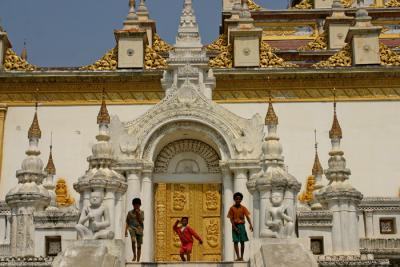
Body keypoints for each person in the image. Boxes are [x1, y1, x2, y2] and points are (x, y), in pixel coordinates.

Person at [227, 192, 253, 261]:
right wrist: (235, 228)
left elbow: (247, 216)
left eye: (239, 199)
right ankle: (238, 256)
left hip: (242, 226)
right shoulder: (232, 208)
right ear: (234, 199)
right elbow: (231, 219)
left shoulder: (243, 208)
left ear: (241, 200)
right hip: (235, 225)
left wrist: (250, 224)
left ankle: (241, 257)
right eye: (236, 199)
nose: (238, 200)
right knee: (235, 241)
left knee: (242, 241)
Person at [125, 198, 144, 262]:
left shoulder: (141, 212)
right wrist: (126, 231)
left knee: (139, 245)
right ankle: (134, 255)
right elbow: (127, 221)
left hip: (139, 229)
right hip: (131, 228)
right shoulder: (130, 213)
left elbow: (141, 221)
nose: (136, 206)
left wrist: (138, 214)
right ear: (133, 205)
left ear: (139, 205)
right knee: (133, 241)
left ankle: (138, 260)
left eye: (138, 205)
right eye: (135, 205)